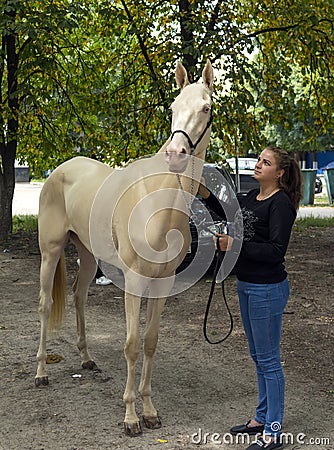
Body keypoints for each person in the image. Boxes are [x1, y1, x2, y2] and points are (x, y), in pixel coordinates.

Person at [200, 146, 302, 450]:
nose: (258, 164)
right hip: (246, 285)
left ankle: (273, 430)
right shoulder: (250, 198)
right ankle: (261, 417)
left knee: (269, 360)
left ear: (280, 173)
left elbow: (275, 252)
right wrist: (201, 190)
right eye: (258, 159)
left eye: (265, 162)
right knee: (259, 357)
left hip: (267, 289)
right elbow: (221, 209)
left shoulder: (280, 204)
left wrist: (234, 243)